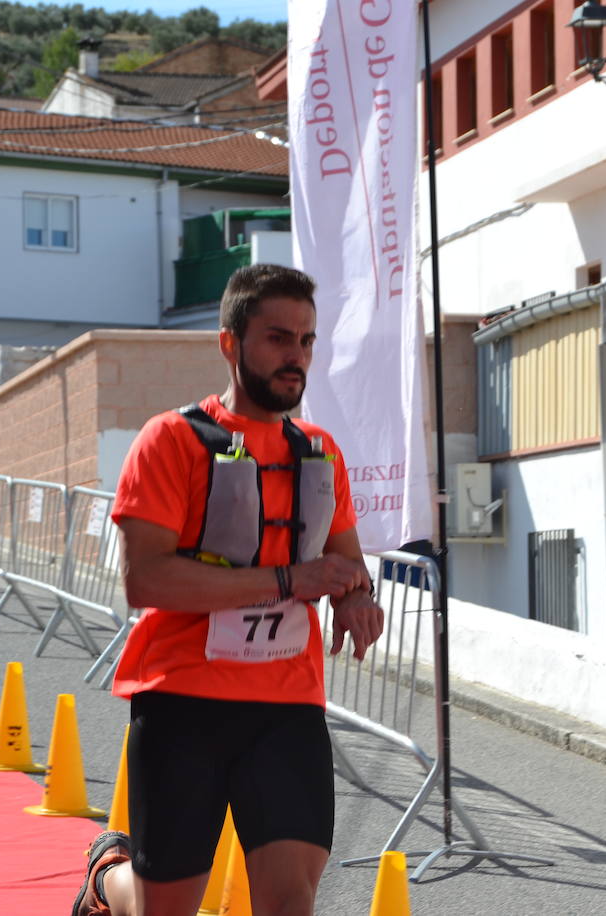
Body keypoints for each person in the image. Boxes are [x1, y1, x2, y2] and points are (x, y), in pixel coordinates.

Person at [73, 264, 385, 916]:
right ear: (229, 342)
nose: (295, 357)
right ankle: (108, 880)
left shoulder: (320, 453)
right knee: (167, 908)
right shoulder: (172, 441)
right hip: (184, 699)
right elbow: (145, 578)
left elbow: (346, 563)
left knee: (288, 903)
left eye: (305, 341)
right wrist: (288, 581)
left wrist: (356, 598)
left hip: (288, 706)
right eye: (277, 338)